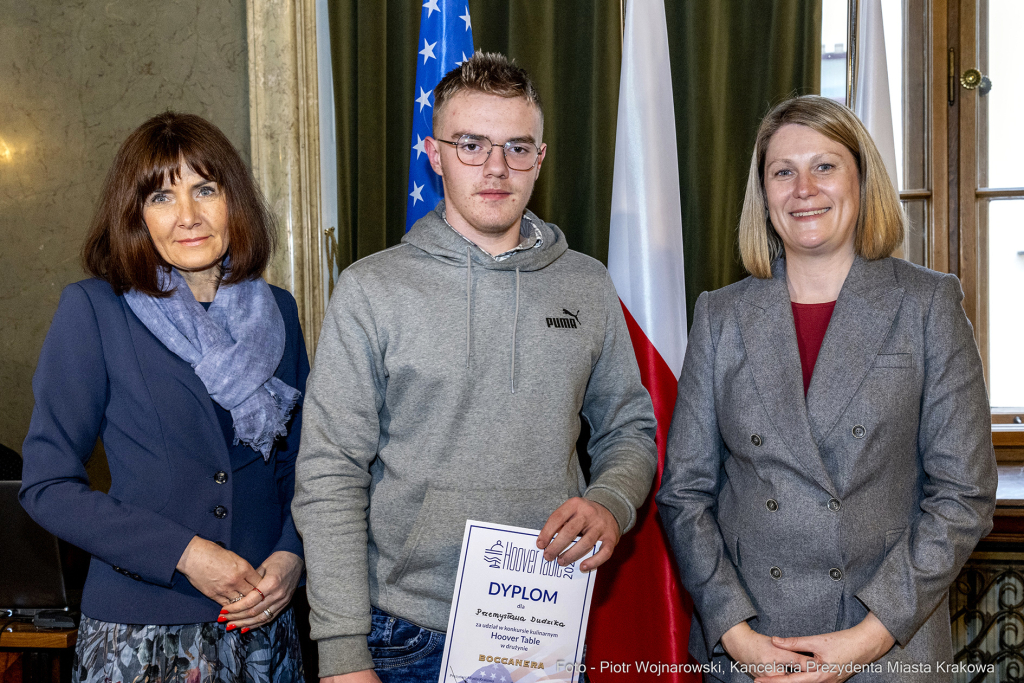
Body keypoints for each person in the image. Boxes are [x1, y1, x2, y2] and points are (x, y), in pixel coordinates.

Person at [293, 52, 657, 683]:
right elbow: (330, 475)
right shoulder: (370, 289)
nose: (496, 167)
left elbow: (631, 428)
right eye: (471, 144)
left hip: (545, 620)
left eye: (517, 147)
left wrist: (612, 500)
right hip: (401, 633)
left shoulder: (588, 285)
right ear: (433, 153)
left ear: (540, 159)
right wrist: (342, 651)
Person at [656, 94, 997, 683]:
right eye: (782, 172)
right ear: (763, 197)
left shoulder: (927, 304)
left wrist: (867, 640)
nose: (803, 188)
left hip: (888, 650)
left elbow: (963, 494)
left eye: (825, 166)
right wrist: (736, 633)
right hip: (753, 652)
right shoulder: (720, 315)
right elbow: (685, 494)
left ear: (862, 181)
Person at [20, 113, 308, 683]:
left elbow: (305, 470)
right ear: (135, 215)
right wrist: (186, 553)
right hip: (142, 633)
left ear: (235, 201)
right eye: (161, 196)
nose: (188, 217)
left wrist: (292, 554)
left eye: (206, 189)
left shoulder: (278, 312)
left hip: (263, 625)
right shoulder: (95, 310)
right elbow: (47, 486)